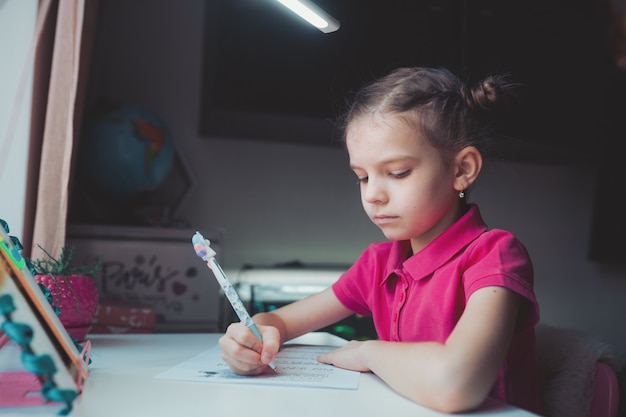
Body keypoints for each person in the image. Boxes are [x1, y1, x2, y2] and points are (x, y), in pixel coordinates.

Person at [218, 67, 543, 415]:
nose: (373, 194)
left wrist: (366, 352)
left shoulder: (495, 255)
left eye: (397, 173)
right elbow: (281, 322)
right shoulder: (378, 263)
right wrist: (251, 337)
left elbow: (455, 385)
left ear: (462, 170)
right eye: (362, 177)